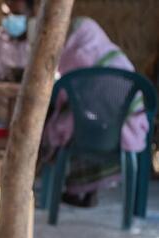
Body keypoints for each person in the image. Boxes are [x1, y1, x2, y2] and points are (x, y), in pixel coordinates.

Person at [41, 17, 150, 207]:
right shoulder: (116, 59)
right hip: (128, 130)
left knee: (61, 124)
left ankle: (73, 189)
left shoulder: (75, 64)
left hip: (87, 134)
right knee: (78, 121)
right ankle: (88, 191)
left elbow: (61, 98)